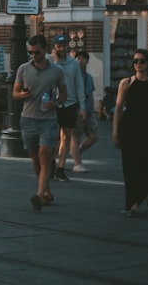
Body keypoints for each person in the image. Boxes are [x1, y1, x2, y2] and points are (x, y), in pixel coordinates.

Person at [13, 34, 68, 212]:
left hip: (48, 120)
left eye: (37, 52)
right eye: (31, 53)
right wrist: (21, 95)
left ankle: (38, 194)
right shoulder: (23, 69)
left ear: (45, 49)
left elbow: (64, 94)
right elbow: (15, 93)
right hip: (28, 119)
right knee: (35, 158)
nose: (34, 56)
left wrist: (56, 102)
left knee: (45, 156)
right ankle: (46, 191)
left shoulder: (57, 70)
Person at [112, 48, 148, 216]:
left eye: (142, 61)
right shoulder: (126, 83)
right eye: (135, 61)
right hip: (129, 128)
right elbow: (118, 109)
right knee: (130, 166)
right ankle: (134, 204)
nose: (138, 64)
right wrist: (115, 132)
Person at [52, 35, 85, 182]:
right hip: (54, 103)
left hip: (70, 103)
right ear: (54, 47)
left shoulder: (73, 63)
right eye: (59, 46)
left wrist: (82, 106)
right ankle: (50, 166)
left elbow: (79, 85)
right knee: (53, 138)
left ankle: (61, 168)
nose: (62, 48)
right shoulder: (49, 61)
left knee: (66, 137)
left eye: (64, 45)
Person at [72, 50, 99, 172]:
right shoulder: (72, 77)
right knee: (75, 137)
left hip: (88, 111)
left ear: (87, 61)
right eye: (79, 59)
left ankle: (78, 152)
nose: (81, 61)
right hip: (76, 111)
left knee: (94, 136)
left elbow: (91, 94)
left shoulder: (89, 78)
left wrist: (92, 110)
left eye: (83, 59)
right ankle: (77, 163)